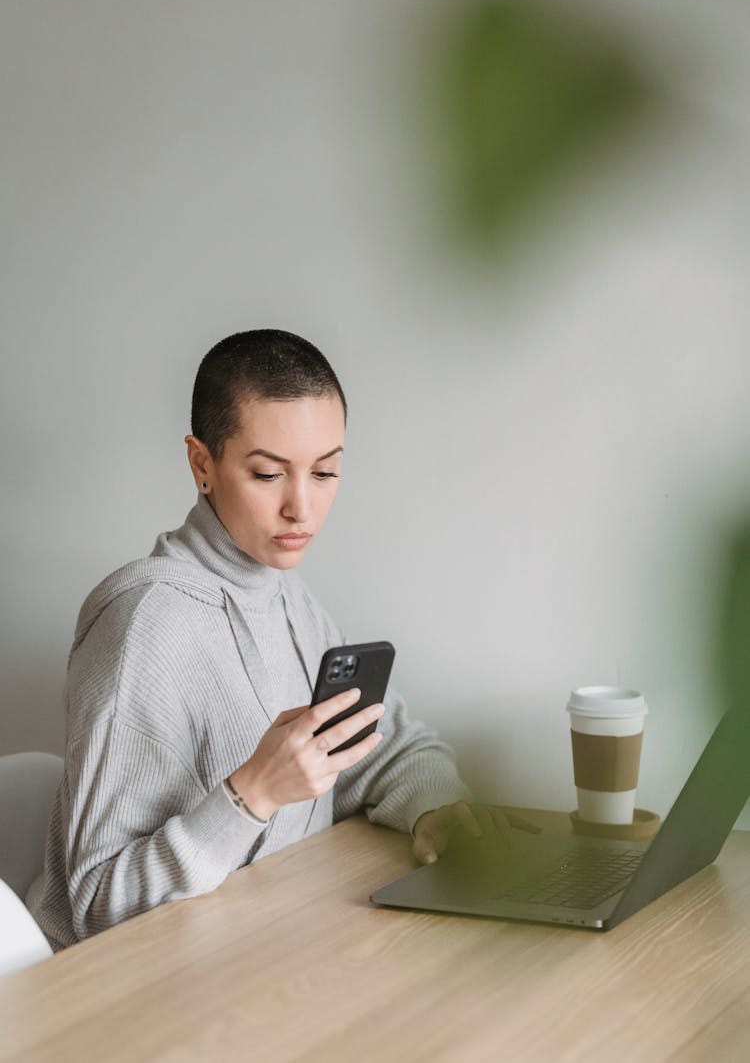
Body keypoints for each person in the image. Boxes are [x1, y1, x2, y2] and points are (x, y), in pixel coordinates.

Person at [28, 329, 531, 950]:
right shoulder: (144, 625)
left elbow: (382, 744)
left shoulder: (287, 598)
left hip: (253, 954)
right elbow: (96, 908)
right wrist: (252, 794)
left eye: (325, 472)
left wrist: (441, 811)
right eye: (268, 474)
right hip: (120, 1001)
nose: (302, 507)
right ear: (201, 464)